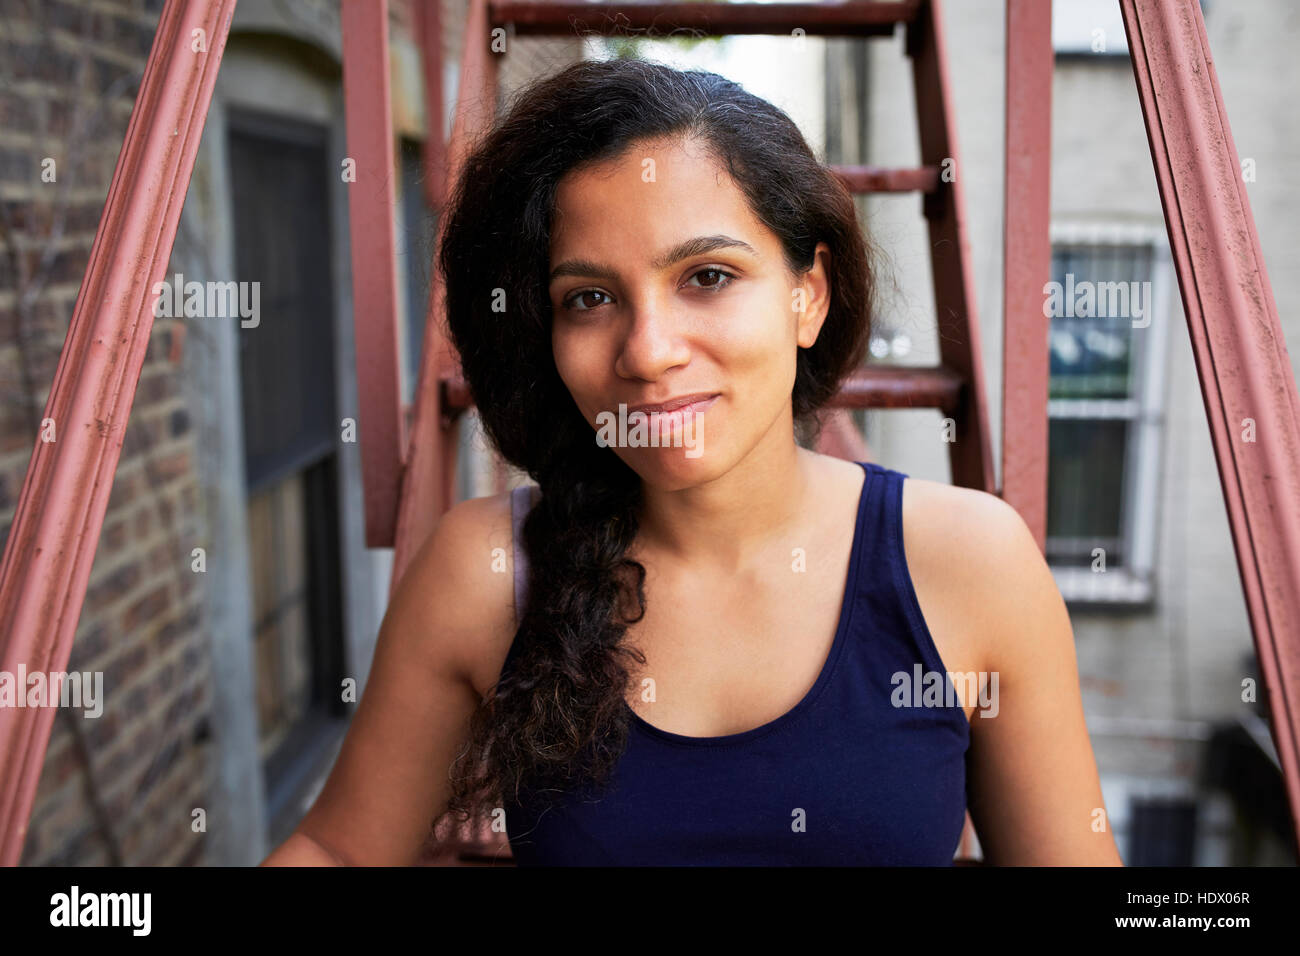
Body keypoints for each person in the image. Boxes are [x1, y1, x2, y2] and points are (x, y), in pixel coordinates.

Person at [262, 57, 1123, 866]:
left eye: (707, 276)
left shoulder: (971, 563)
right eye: (590, 298)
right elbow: (339, 852)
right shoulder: (488, 571)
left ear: (807, 296)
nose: (648, 350)